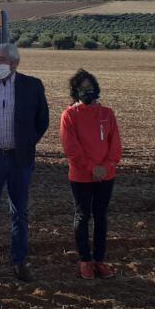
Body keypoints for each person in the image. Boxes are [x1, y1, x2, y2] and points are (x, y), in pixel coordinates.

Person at [0, 42, 49, 282]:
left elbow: (42, 121)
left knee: (19, 212)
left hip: (19, 159)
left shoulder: (32, 86)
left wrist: (26, 143)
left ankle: (19, 261)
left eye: (2, 60)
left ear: (15, 63)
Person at [59, 69, 122, 280]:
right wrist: (91, 167)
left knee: (101, 216)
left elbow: (115, 144)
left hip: (106, 175)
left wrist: (107, 165)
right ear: (75, 92)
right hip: (81, 176)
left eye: (91, 88)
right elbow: (71, 148)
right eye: (82, 89)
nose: (88, 92)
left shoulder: (107, 114)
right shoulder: (69, 115)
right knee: (83, 216)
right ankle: (85, 260)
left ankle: (99, 260)